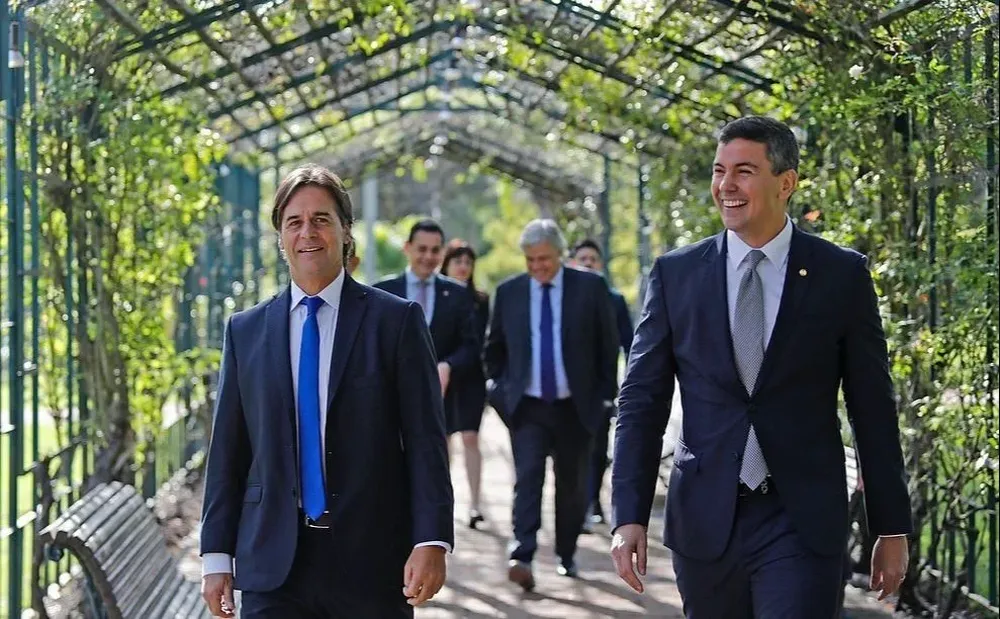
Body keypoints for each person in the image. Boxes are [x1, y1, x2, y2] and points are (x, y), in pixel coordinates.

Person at [609, 116, 912, 617]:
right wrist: (628, 516)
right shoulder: (677, 275)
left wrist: (890, 526)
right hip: (706, 519)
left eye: (744, 171)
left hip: (801, 518)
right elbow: (641, 400)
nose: (726, 185)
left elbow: (872, 408)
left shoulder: (841, 276)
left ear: (786, 183)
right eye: (718, 170)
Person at [200, 164, 454, 619]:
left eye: (321, 219)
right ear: (280, 235)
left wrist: (431, 538)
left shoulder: (395, 322)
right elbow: (228, 452)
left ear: (345, 230)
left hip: (371, 560)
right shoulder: (246, 331)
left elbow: (425, 441)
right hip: (272, 563)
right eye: (293, 222)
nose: (307, 233)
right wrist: (216, 556)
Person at [485, 219, 618, 591]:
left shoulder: (590, 288)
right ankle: (522, 553)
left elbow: (608, 347)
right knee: (528, 478)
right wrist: (499, 393)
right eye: (530, 260)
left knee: (572, 486)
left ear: (560, 253)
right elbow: (493, 351)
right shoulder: (509, 292)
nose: (538, 267)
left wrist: (605, 398)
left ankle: (565, 551)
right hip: (527, 408)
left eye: (544, 258)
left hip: (576, 407)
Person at [373, 219, 480, 430]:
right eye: (422, 249)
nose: (428, 257)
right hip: (392, 402)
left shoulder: (458, 294)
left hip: (442, 403)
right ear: (407, 248)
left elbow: (471, 346)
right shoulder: (382, 292)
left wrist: (448, 365)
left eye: (435, 250)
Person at [569, 238, 634, 529]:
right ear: (572, 262)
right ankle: (574, 506)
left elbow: (630, 343)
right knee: (571, 450)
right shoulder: (561, 297)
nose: (587, 263)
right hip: (566, 390)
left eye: (593, 259)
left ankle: (593, 502)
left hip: (601, 389)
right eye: (582, 258)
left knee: (597, 448)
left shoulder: (614, 299)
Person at [440, 239, 491, 530]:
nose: (463, 267)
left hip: (470, 378)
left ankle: (474, 503)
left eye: (468, 262)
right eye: (457, 261)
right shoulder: (437, 296)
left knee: (471, 438)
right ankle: (445, 502)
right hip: (441, 377)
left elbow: (480, 341)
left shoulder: (480, 299)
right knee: (443, 441)